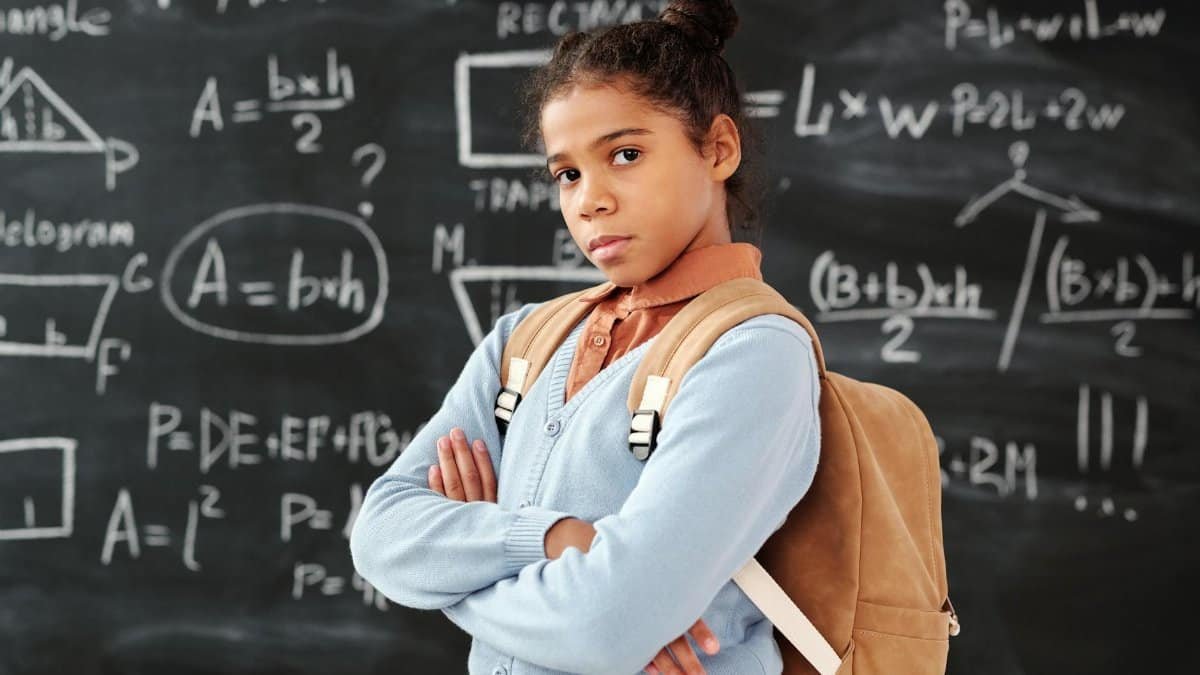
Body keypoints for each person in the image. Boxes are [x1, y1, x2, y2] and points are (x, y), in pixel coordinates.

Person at [349, 2, 822, 673]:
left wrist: (451, 571)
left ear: (718, 147)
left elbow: (601, 626)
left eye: (625, 154)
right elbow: (379, 536)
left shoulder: (754, 353)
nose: (588, 199)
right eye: (567, 172)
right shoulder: (527, 337)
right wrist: (551, 538)